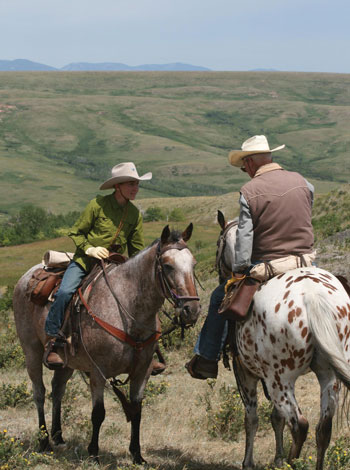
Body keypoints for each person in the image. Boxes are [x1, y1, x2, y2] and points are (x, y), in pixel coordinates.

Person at [186, 135, 315, 379]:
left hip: (269, 265)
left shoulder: (250, 191)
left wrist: (240, 269)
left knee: (217, 298)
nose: (245, 170)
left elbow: (244, 238)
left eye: (244, 165)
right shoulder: (304, 182)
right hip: (306, 261)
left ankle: (207, 358)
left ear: (252, 162)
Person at [44, 161, 162, 370]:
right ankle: (54, 343)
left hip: (115, 264)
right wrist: (89, 249)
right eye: (130, 184)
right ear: (118, 186)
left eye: (137, 184)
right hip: (85, 261)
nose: (135, 189)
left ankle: (149, 349)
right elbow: (76, 232)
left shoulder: (134, 214)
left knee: (143, 298)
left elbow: (136, 250)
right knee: (64, 293)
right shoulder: (97, 205)